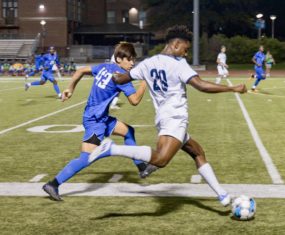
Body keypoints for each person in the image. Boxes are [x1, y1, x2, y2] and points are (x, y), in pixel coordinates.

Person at [63, 25, 246, 207]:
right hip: (175, 118)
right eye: (185, 49)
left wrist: (107, 74)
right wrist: (232, 88)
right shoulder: (178, 64)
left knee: (198, 152)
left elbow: (120, 79)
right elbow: (201, 85)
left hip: (163, 118)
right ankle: (112, 149)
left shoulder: (148, 63)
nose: (186, 54)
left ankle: (222, 195)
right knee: (161, 160)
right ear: (175, 44)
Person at [42, 42, 153, 201]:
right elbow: (134, 101)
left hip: (99, 117)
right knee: (86, 157)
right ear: (120, 59)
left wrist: (70, 88)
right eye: (129, 59)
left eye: (133, 60)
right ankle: (53, 184)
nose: (132, 63)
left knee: (128, 131)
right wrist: (144, 83)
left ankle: (141, 166)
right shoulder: (121, 76)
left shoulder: (104, 66)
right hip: (96, 121)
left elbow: (80, 70)